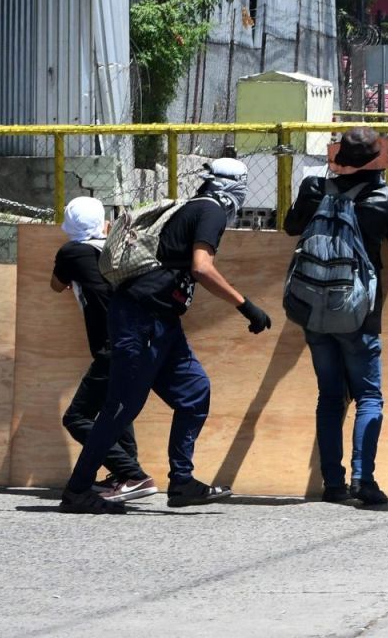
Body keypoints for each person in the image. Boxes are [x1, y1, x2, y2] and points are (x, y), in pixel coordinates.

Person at [59, 158, 272, 514]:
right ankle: (77, 490)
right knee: (120, 408)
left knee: (194, 392)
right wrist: (245, 305)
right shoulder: (210, 211)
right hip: (141, 318)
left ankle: (182, 482)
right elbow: (201, 267)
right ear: (232, 186)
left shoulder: (192, 208)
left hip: (163, 320)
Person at [285, 127, 388, 505]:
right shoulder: (384, 197)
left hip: (312, 310)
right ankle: (364, 480)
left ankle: (332, 483)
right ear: (377, 161)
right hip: (360, 314)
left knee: (329, 398)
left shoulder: (313, 189)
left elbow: (292, 226)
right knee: (368, 397)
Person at [51, 196, 155, 503]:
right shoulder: (116, 251)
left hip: (113, 348)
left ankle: (133, 474)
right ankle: (124, 475)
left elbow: (56, 285)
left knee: (77, 417)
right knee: (116, 408)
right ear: (104, 224)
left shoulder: (73, 252)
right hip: (140, 342)